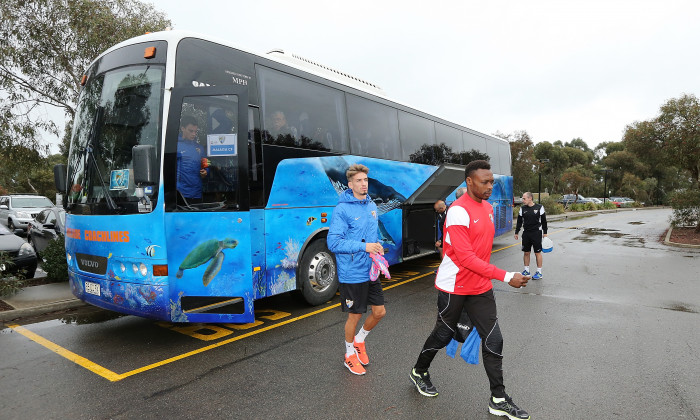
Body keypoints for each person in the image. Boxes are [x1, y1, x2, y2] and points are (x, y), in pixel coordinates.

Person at [410, 160, 531, 420]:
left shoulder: (487, 208)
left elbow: (482, 253)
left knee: (494, 339)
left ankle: (498, 399)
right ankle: (419, 371)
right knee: (442, 335)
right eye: (484, 182)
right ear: (469, 181)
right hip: (454, 285)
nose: (490, 186)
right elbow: (465, 258)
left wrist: (492, 276)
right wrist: (506, 275)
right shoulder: (457, 211)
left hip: (479, 286)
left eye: (492, 182)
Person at [327, 164, 387, 376]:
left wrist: (377, 245)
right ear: (350, 184)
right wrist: (364, 246)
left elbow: (371, 236)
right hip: (351, 272)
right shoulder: (342, 209)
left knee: (379, 312)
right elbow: (333, 243)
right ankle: (349, 354)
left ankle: (360, 340)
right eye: (359, 181)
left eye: (366, 180)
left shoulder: (371, 205)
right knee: (355, 316)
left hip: (370, 269)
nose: (364, 184)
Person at [514, 191, 548, 280]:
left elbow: (544, 221)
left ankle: (539, 272)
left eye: (524, 198)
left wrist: (545, 233)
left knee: (537, 253)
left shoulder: (539, 207)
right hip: (526, 233)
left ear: (530, 198)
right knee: (526, 252)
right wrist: (517, 232)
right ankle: (526, 271)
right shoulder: (522, 208)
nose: (522, 200)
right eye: (522, 198)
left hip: (536, 233)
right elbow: (519, 221)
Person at [176, 115, 208, 203]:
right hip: (180, 194)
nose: (194, 134)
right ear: (183, 128)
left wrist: (206, 171)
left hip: (197, 193)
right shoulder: (175, 146)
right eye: (191, 131)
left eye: (195, 131)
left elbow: (206, 164)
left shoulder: (200, 148)